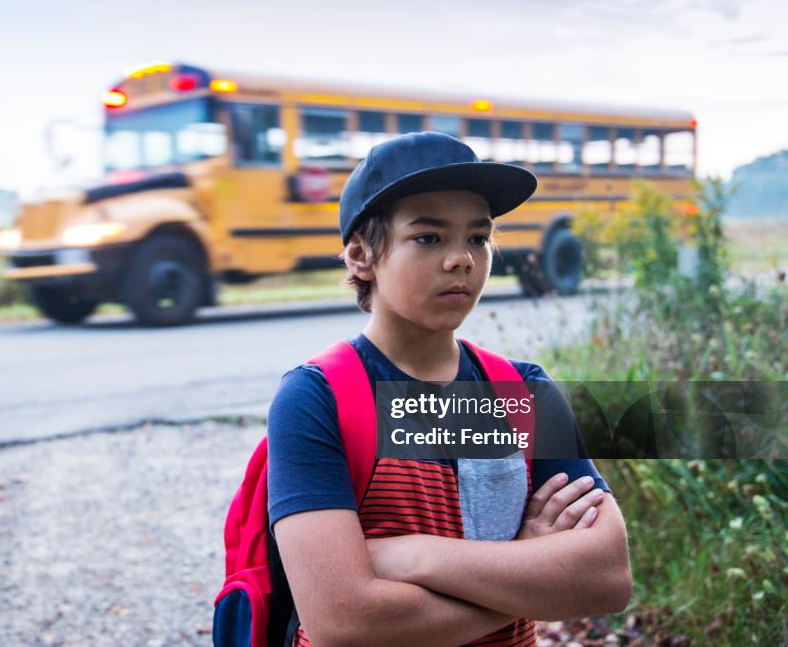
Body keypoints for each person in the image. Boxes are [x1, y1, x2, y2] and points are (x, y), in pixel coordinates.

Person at [267, 132, 632, 647]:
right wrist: (525, 570)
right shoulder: (317, 397)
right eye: (429, 238)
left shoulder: (524, 391)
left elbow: (608, 578)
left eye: (478, 238)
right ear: (360, 255)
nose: (461, 259)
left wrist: (412, 555)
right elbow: (342, 620)